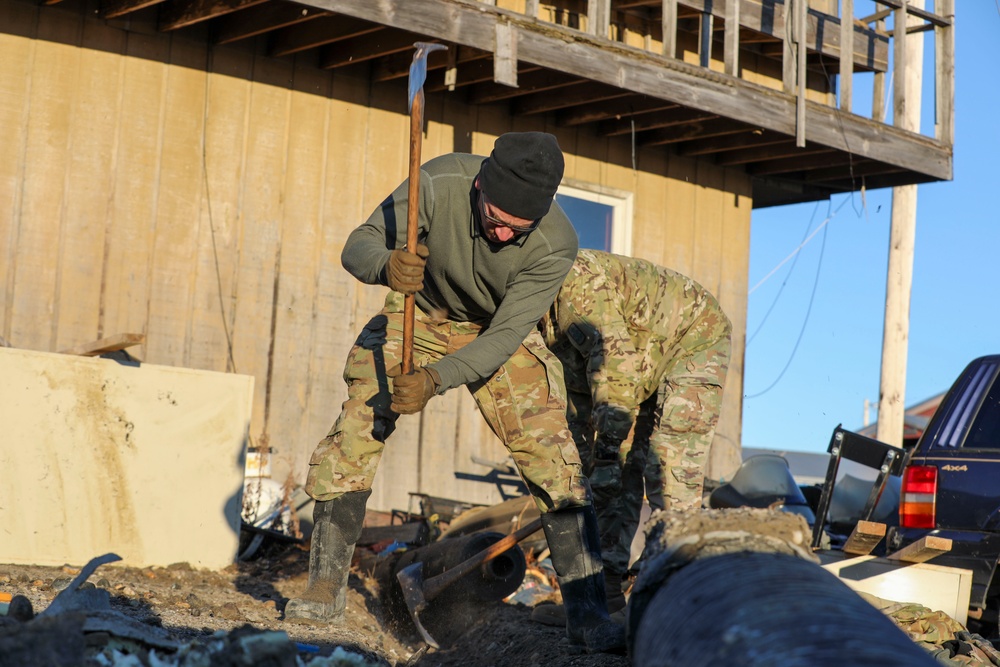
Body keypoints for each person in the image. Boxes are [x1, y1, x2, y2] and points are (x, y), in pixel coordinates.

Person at [285, 132, 622, 651]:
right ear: (481, 184)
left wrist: (437, 379)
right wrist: (386, 266)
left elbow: (506, 337)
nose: (505, 234)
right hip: (417, 314)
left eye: (520, 227)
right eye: (496, 218)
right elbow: (359, 244)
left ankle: (589, 617)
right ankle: (325, 586)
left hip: (490, 333)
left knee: (555, 460)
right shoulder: (439, 182)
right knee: (357, 429)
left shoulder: (556, 244)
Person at [535, 248, 732, 615]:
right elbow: (575, 408)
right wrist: (582, 472)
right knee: (611, 475)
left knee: (668, 467)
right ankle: (605, 597)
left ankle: (675, 602)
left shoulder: (575, 282)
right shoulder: (531, 323)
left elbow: (615, 366)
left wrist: (606, 452)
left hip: (692, 336)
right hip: (637, 364)